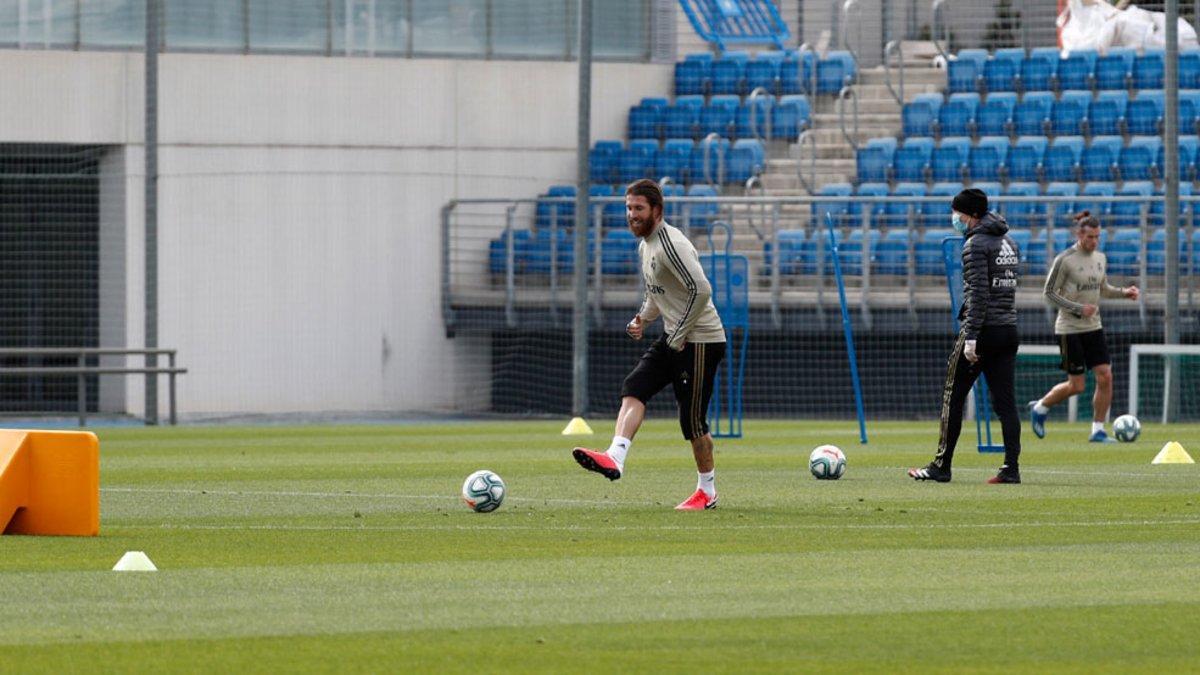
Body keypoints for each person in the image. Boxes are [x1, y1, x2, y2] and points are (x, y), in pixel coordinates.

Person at [571, 179, 727, 510]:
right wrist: (642, 318)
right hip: (674, 335)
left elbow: (701, 291)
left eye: (638, 208)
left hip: (700, 340)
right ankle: (615, 457)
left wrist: (681, 334)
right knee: (634, 386)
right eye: (628, 208)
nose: (631, 215)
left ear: (656, 210)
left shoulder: (672, 243)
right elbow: (657, 291)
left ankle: (707, 492)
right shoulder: (646, 246)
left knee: (692, 422)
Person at [909, 188, 1023, 484]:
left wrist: (971, 336)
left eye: (957, 212)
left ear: (971, 214)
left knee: (953, 395)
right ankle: (1011, 468)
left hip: (982, 331)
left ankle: (941, 465)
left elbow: (979, 295)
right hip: (1008, 329)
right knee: (1006, 403)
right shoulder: (1008, 241)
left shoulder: (975, 245)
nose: (954, 218)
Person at [1029, 211, 1140, 442]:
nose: (1094, 241)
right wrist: (1078, 308)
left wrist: (1124, 293)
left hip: (1094, 327)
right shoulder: (1065, 260)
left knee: (1105, 376)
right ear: (1079, 234)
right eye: (1090, 237)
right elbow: (1049, 294)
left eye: (1097, 237)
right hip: (1069, 329)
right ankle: (1040, 407)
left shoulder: (1100, 258)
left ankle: (1098, 430)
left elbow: (1103, 288)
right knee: (1077, 385)